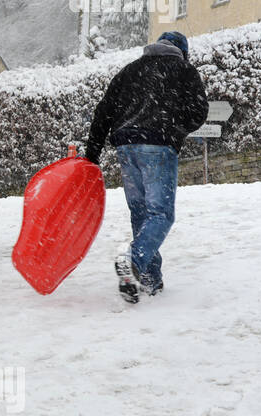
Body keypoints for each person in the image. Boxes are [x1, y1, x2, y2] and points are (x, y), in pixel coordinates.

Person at [84, 30, 208, 302]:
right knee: (161, 214)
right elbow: (199, 111)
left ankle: (151, 280)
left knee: (141, 212)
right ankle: (134, 261)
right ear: (182, 51)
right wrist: (174, 129)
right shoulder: (183, 69)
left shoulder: (130, 71)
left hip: (125, 147)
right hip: (157, 146)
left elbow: (103, 110)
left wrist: (92, 152)